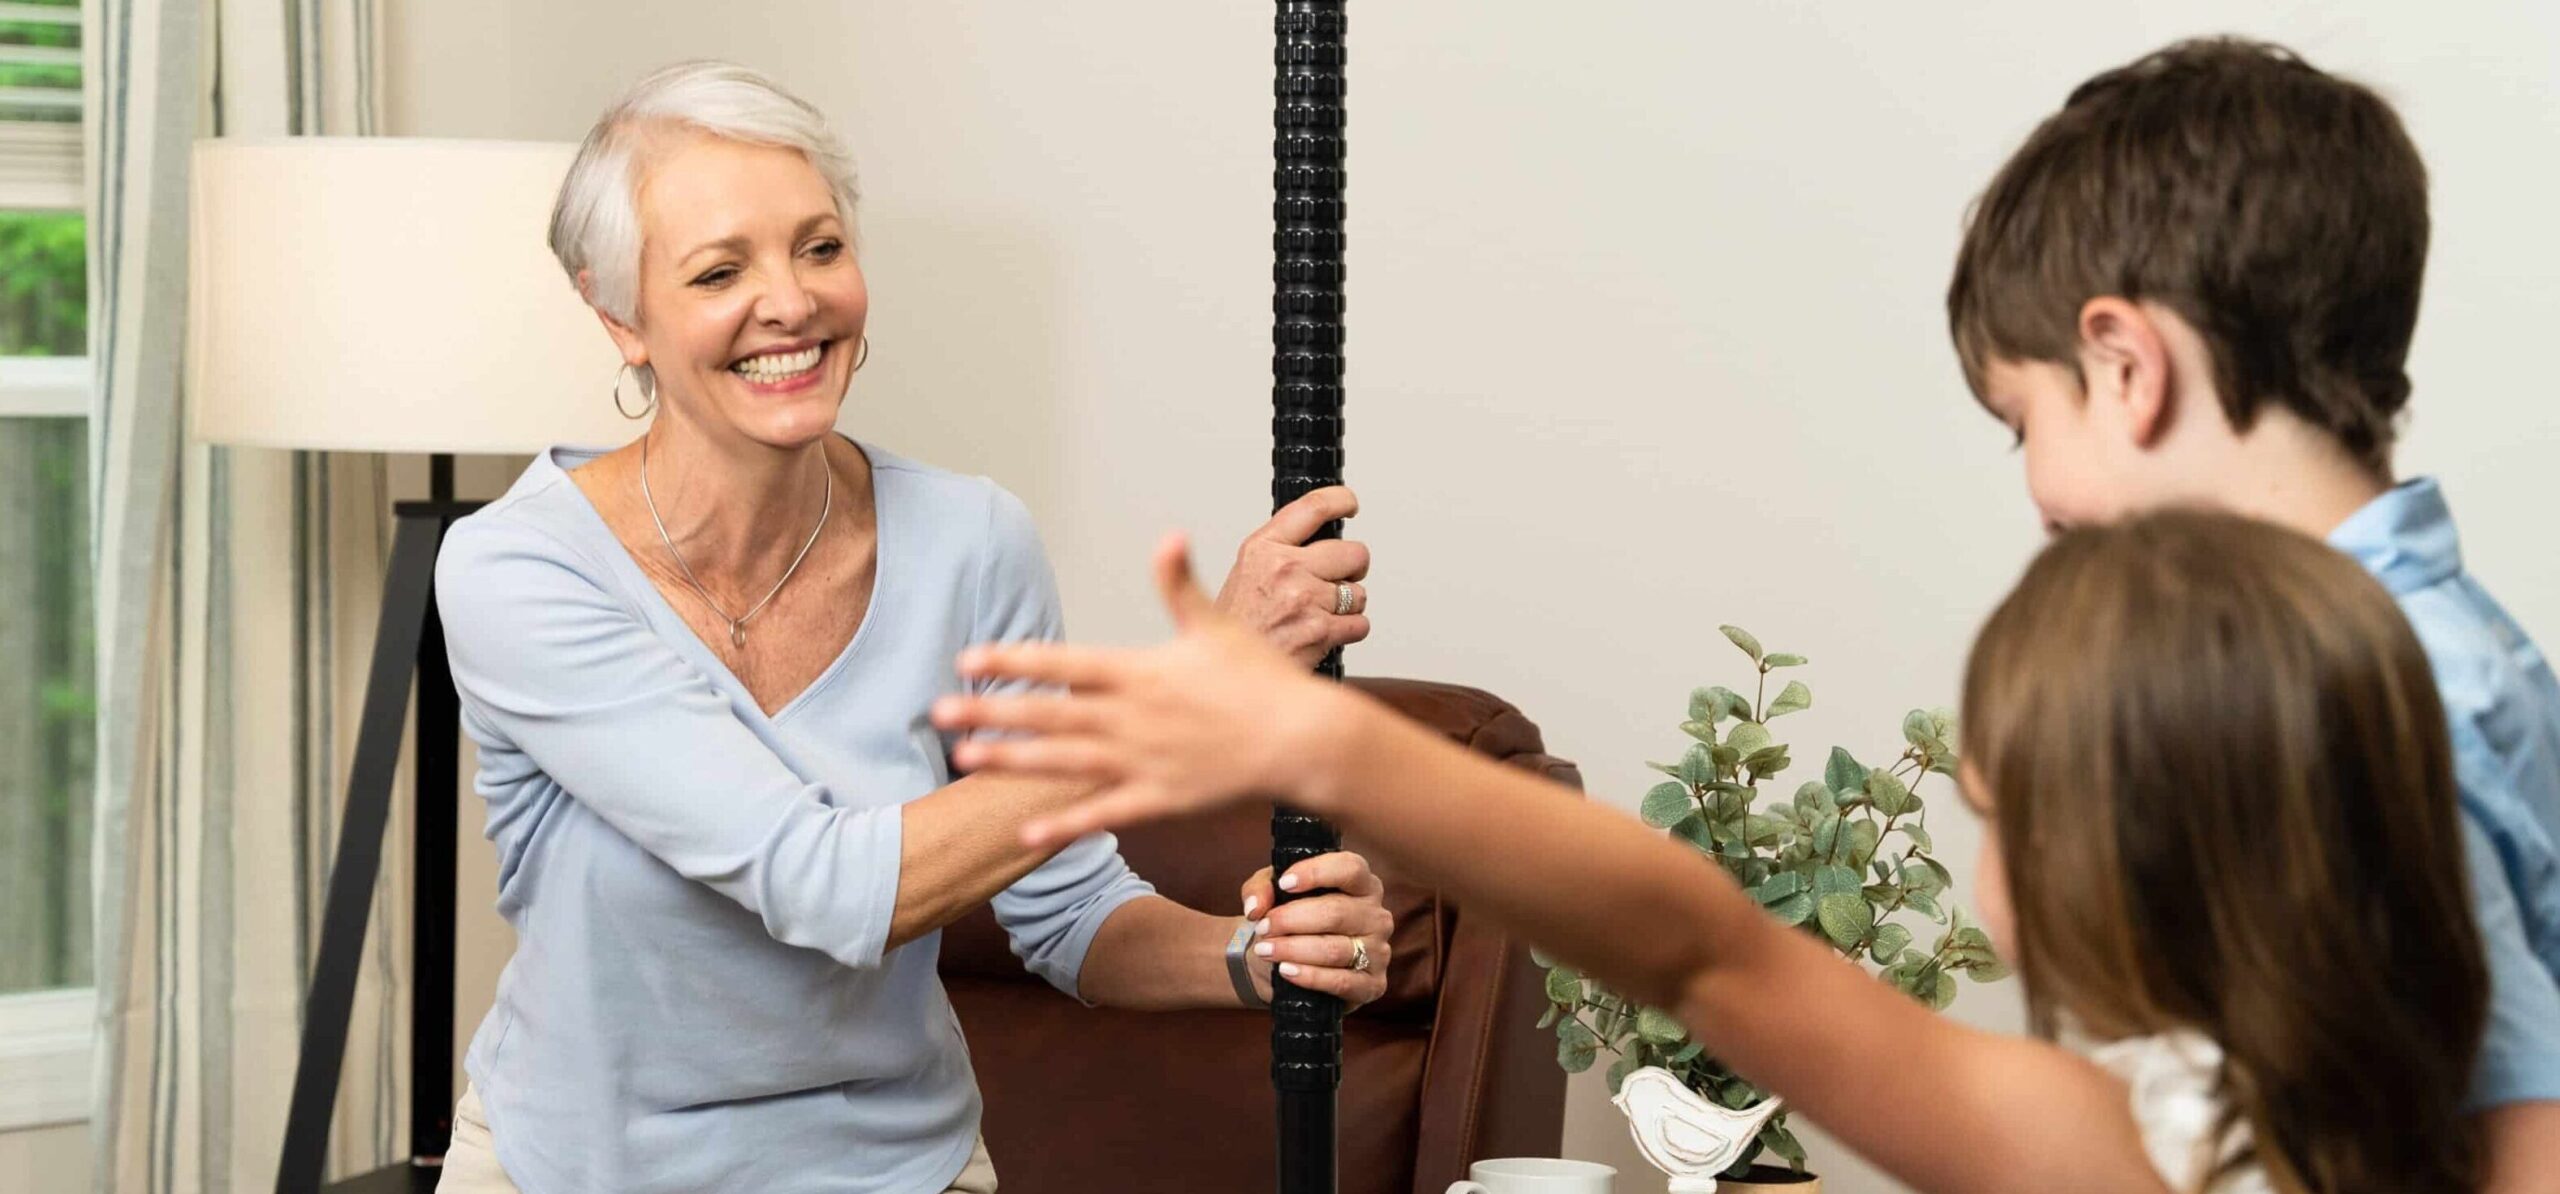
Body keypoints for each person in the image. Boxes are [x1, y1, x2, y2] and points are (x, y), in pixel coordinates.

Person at [430, 61, 1393, 1194]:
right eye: (719, 270)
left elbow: (1068, 911)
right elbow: (823, 885)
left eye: (820, 246)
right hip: (577, 1170)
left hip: (894, 1170)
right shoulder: (520, 569)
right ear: (621, 321)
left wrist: (1264, 960)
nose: (790, 300)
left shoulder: (969, 541)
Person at [932, 510, 2491, 1192]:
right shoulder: (2387, 1119)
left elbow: (1703, 947)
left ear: (2124, 866)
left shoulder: (2144, 1155)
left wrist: (1323, 745)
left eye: (1994, 808)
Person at [1943, 38, 2560, 1190]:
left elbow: (2531, 1130)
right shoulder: (2455, 635)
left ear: (2124, 365)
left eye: (2022, 422)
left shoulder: (2375, 682)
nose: (2036, 501)